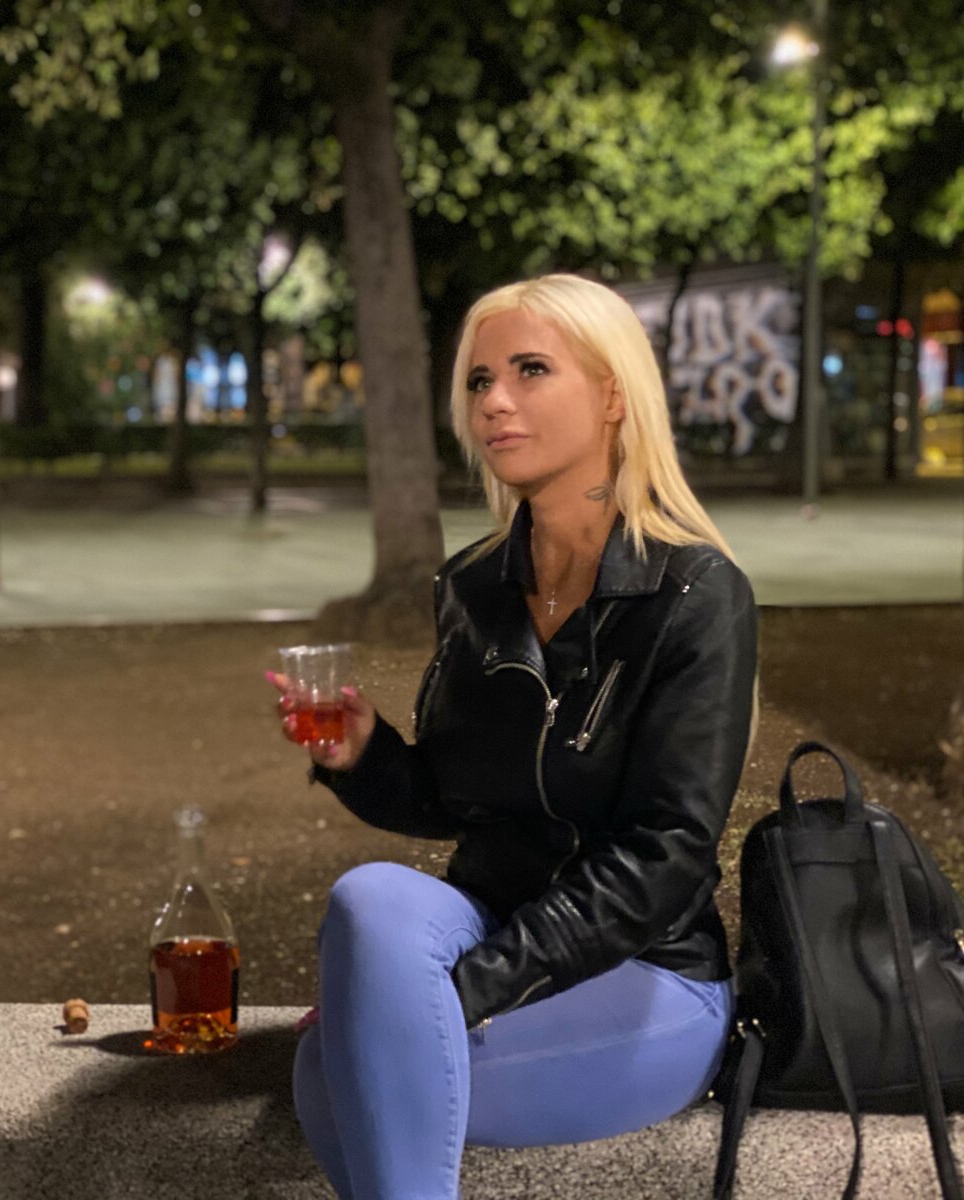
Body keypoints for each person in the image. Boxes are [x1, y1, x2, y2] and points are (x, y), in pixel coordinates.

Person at [275, 273, 757, 1199]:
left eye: (531, 370)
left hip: (646, 974)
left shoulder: (695, 595)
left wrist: (456, 996)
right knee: (369, 899)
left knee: (333, 1073)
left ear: (612, 394)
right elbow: (453, 801)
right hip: (490, 926)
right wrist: (363, 754)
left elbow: (665, 857)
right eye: (479, 380)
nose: (495, 401)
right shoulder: (473, 585)